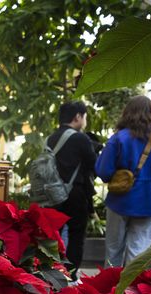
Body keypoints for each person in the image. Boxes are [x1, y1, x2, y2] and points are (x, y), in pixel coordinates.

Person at [95, 95, 151, 267]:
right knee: (139, 249)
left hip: (121, 199)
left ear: (127, 113)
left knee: (114, 249)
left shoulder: (119, 138)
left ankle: (110, 289)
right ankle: (132, 290)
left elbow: (103, 171)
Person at [46, 101, 97, 280]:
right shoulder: (81, 138)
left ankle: (52, 273)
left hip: (52, 195)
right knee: (76, 235)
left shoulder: (50, 138)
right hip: (75, 194)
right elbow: (93, 165)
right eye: (85, 116)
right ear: (78, 117)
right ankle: (71, 275)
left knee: (54, 236)